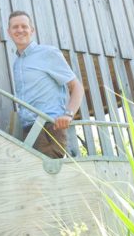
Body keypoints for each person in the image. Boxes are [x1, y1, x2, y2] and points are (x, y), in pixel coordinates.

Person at [7, 10, 84, 159]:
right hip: (29, 129)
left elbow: (76, 87)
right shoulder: (17, 63)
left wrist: (68, 114)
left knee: (52, 175)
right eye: (15, 27)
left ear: (32, 30)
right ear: (9, 32)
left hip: (50, 128)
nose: (20, 30)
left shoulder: (48, 53)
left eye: (24, 26)